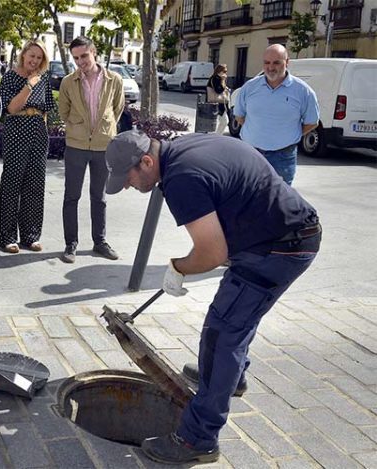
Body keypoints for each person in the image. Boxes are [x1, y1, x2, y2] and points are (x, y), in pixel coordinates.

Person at [104, 130, 321, 464]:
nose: (129, 186)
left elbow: (212, 252)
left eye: (129, 179)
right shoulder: (183, 147)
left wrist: (178, 267)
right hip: (284, 235)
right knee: (238, 317)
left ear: (147, 161)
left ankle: (198, 439)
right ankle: (231, 378)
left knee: (221, 335)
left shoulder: (181, 178)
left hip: (280, 247)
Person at [58, 36, 125, 264]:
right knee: (71, 196)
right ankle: (71, 244)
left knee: (100, 197)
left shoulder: (114, 80)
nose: (80, 62)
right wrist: (79, 128)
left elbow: (117, 109)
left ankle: (100, 242)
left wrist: (104, 129)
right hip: (76, 146)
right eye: (76, 58)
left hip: (103, 146)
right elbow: (64, 112)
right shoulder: (68, 82)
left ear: (93, 52)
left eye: (84, 56)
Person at [0, 40, 57, 253]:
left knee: (35, 184)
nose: (35, 61)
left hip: (38, 132)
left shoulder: (44, 79)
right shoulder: (11, 76)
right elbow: (11, 108)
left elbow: (47, 109)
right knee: (12, 183)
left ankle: (30, 235)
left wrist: (44, 132)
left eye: (39, 58)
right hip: (16, 131)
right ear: (23, 55)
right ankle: (7, 237)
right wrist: (29, 84)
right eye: (32, 56)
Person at [234, 44, 319, 185]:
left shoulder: (304, 91)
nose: (271, 67)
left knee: (279, 202)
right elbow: (239, 116)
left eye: (276, 63)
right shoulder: (249, 88)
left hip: (283, 157)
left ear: (287, 62)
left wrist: (289, 134)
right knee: (247, 199)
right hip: (251, 154)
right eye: (266, 62)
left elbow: (312, 122)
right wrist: (259, 131)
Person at [206, 64, 230, 135]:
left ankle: (217, 136)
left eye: (226, 71)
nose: (225, 73)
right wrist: (223, 80)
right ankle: (215, 137)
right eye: (224, 71)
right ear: (219, 71)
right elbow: (218, 90)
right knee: (218, 122)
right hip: (216, 104)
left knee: (224, 122)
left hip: (220, 104)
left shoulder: (218, 78)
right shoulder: (215, 78)